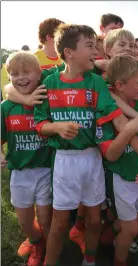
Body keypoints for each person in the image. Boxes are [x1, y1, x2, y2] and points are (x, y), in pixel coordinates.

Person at [34, 23, 122, 266]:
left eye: (96, 45)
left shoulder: (95, 82)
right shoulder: (49, 82)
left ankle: (90, 261)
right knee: (60, 222)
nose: (96, 51)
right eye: (90, 46)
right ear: (69, 52)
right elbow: (40, 124)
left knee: (94, 220)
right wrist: (57, 127)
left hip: (92, 157)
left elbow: (111, 115)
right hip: (64, 160)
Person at [98, 53, 138, 266]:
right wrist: (129, 130)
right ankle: (120, 260)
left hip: (135, 174)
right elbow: (110, 154)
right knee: (132, 229)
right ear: (119, 85)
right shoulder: (106, 110)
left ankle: (108, 237)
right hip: (118, 175)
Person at [1, 51, 52, 266]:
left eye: (26, 72)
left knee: (45, 217)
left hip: (46, 169)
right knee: (24, 220)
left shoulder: (48, 100)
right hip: (20, 172)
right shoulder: (6, 107)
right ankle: (35, 240)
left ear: (39, 73)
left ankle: (50, 249)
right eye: (14, 73)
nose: (20, 77)